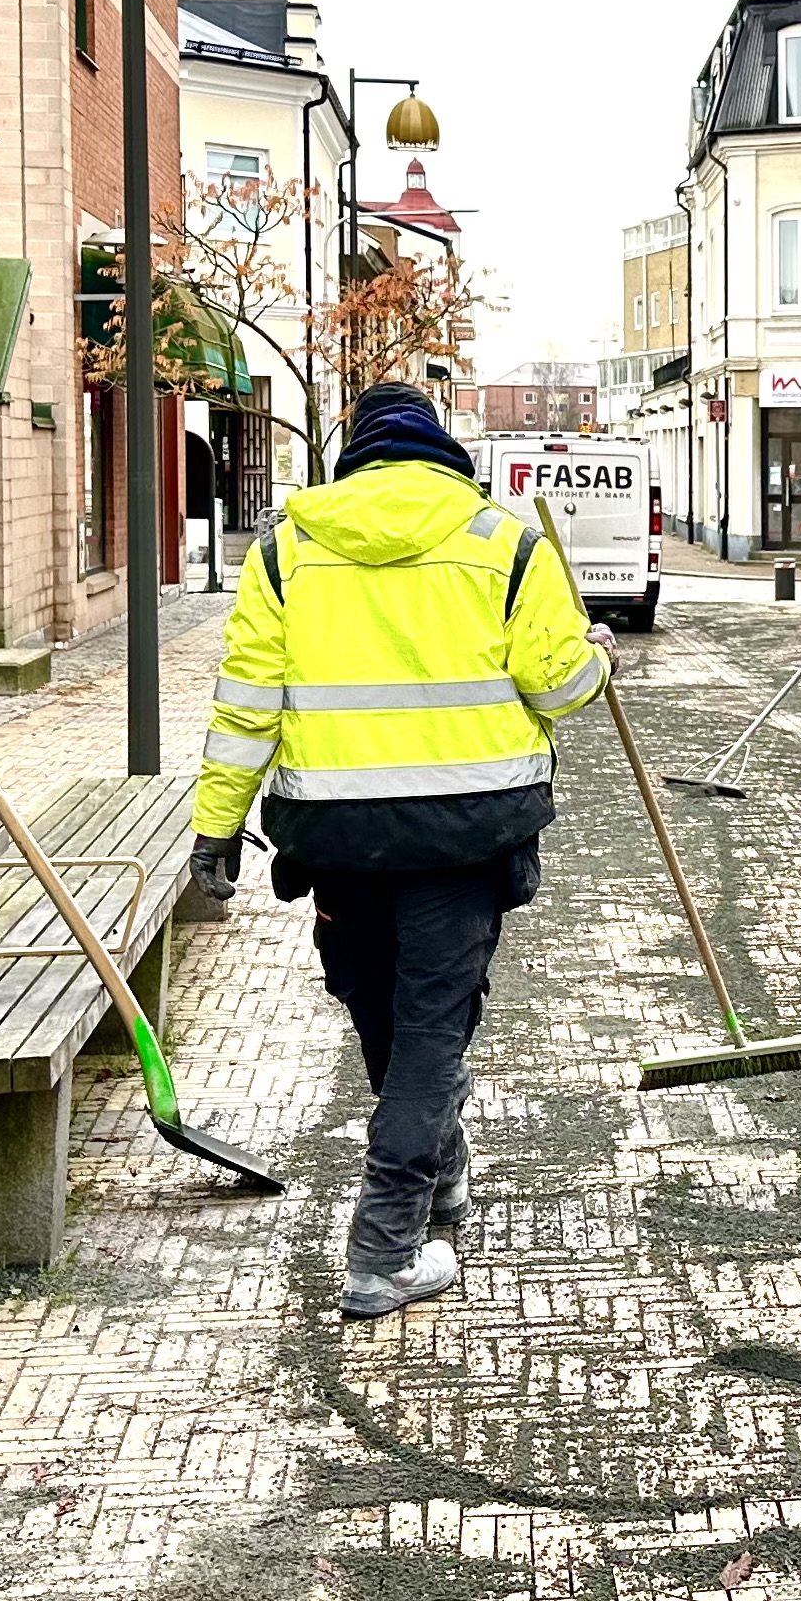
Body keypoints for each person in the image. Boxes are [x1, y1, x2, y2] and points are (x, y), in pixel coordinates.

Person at [189, 382, 610, 1317]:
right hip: (463, 839)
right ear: (442, 452)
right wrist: (597, 653)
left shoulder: (286, 550)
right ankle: (384, 1250)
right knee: (428, 1031)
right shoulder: (505, 543)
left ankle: (439, 1172)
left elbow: (246, 705)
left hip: (338, 839)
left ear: (356, 457)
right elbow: (561, 689)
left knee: (382, 1012)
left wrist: (215, 827)